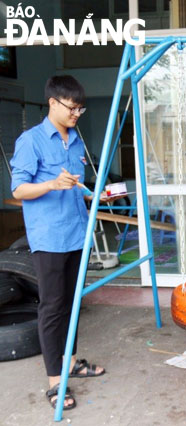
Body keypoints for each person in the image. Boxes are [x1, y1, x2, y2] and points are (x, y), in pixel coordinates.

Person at [10, 75, 106, 411]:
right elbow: (19, 190)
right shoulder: (31, 140)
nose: (77, 113)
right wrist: (51, 184)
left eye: (80, 108)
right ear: (53, 103)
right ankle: (55, 382)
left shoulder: (76, 139)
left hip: (77, 233)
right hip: (49, 237)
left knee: (72, 301)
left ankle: (73, 362)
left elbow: (75, 183)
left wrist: (92, 192)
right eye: (72, 107)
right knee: (52, 308)